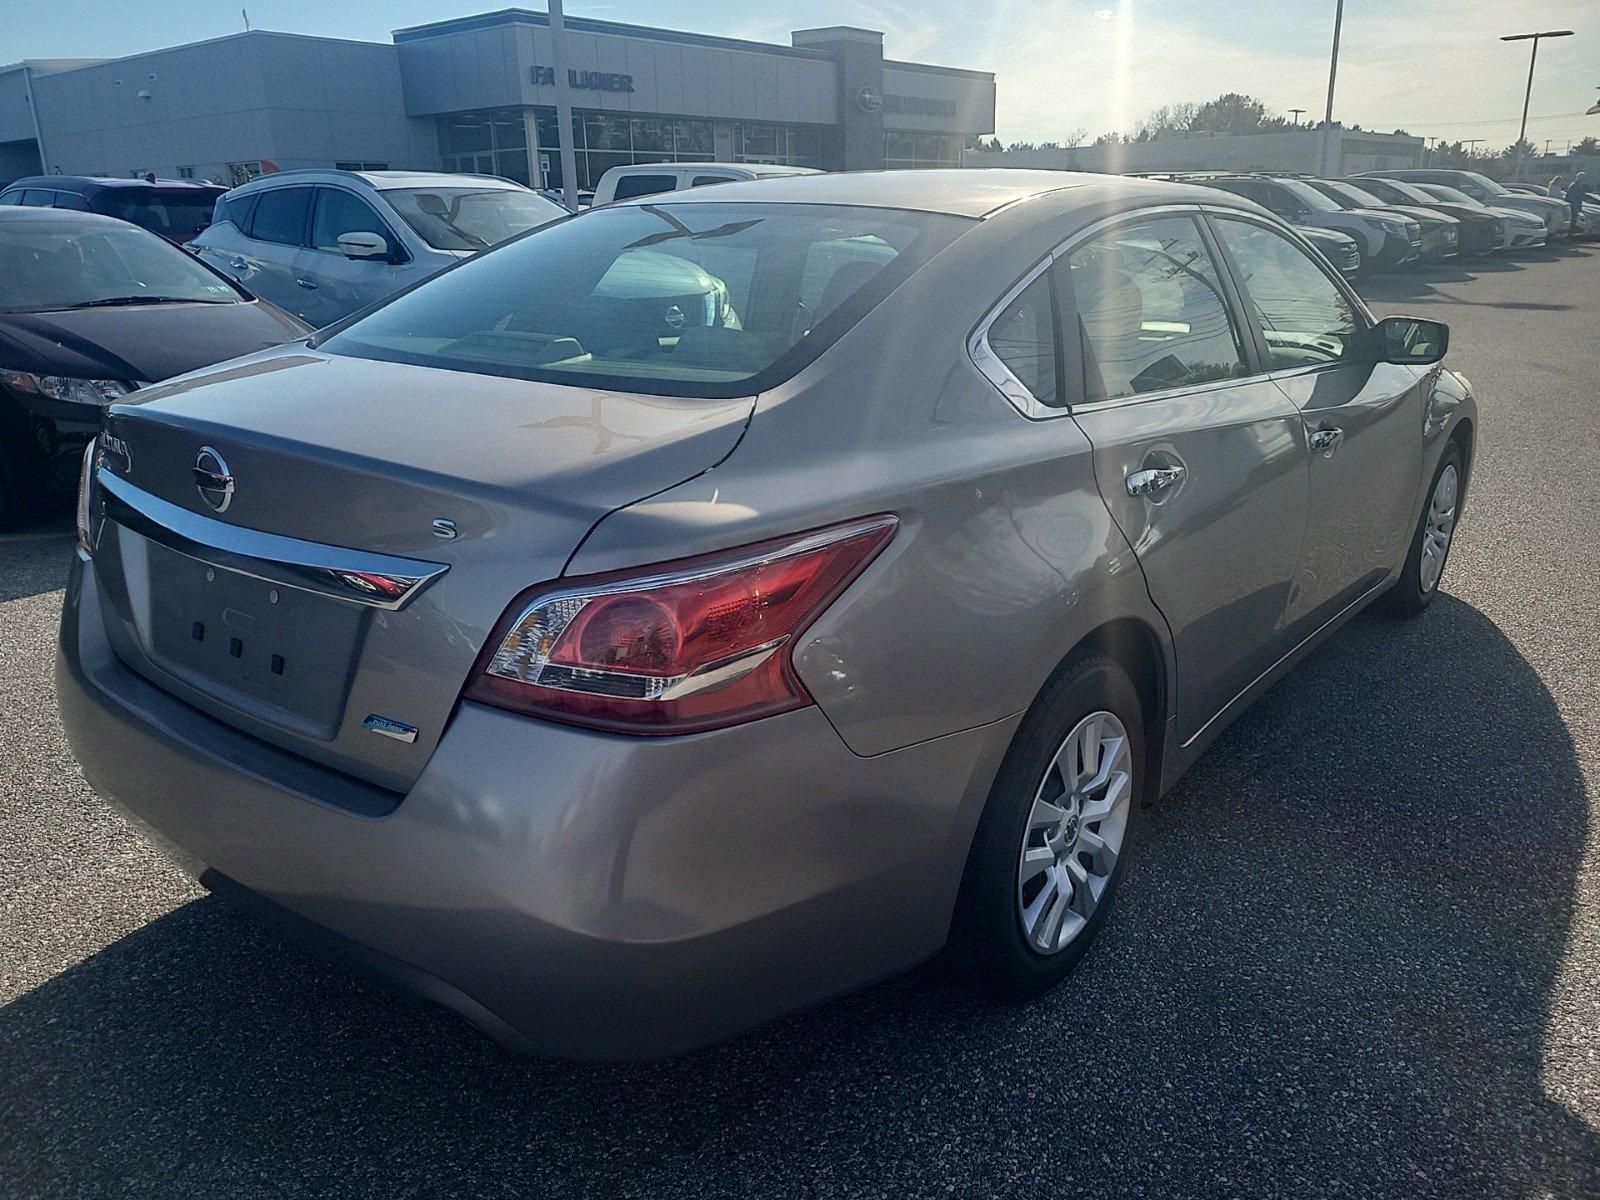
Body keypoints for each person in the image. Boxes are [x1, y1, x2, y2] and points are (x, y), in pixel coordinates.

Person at [1565, 172, 1588, 239]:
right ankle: (1568, 237)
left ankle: (1569, 236)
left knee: (1573, 221)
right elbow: (1574, 197)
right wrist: (1577, 206)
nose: (1584, 180)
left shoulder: (1576, 185)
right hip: (1573, 206)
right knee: (1572, 222)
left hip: (1574, 206)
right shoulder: (1575, 185)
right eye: (1583, 178)